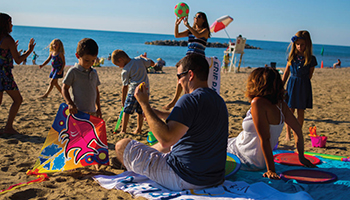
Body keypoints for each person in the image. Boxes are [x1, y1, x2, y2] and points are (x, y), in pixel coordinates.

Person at [114, 54, 228, 190]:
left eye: (179, 76)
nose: (179, 82)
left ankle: (125, 162)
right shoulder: (218, 100)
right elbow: (194, 118)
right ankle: (128, 162)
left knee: (122, 146)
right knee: (162, 147)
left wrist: (144, 104)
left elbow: (166, 139)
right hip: (213, 178)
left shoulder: (189, 99)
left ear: (190, 75)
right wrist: (161, 114)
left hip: (183, 177)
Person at [228, 67, 316, 179]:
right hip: (260, 159)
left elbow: (265, 139)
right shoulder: (281, 105)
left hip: (246, 156)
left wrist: (271, 170)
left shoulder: (258, 103)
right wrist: (301, 157)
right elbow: (298, 130)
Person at [163, 12, 210, 110]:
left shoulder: (205, 31)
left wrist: (188, 25)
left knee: (195, 81)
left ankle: (190, 101)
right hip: (188, 57)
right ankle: (175, 101)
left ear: (204, 20)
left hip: (198, 59)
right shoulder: (190, 31)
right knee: (181, 78)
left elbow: (197, 35)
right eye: (195, 17)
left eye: (199, 17)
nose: (196, 18)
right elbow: (177, 35)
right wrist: (177, 24)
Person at [0, 13, 36, 134]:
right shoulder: (8, 39)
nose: (12, 25)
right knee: (18, 100)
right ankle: (8, 127)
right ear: (5, 25)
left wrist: (11, 50)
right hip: (4, 75)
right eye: (10, 23)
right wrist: (30, 50)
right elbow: (18, 60)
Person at [282, 30, 317, 141]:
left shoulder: (311, 59)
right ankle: (288, 133)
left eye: (302, 44)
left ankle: (297, 131)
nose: (300, 47)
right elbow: (286, 72)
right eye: (297, 44)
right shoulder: (292, 57)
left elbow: (310, 75)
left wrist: (304, 85)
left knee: (300, 111)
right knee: (289, 110)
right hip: (292, 84)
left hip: (303, 86)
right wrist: (281, 85)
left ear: (307, 44)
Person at [111, 50, 154, 134]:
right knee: (140, 111)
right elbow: (152, 63)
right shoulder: (140, 60)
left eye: (118, 65)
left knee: (126, 111)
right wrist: (144, 58)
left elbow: (125, 87)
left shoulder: (125, 70)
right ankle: (139, 129)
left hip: (133, 92)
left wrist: (123, 100)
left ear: (121, 60)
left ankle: (123, 130)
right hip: (144, 91)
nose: (120, 67)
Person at [62, 38, 101, 118]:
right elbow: (64, 88)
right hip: (77, 112)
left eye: (93, 61)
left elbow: (96, 92)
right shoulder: (73, 71)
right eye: (87, 60)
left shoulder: (94, 73)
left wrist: (98, 108)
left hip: (92, 112)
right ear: (77, 56)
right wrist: (70, 103)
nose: (90, 63)